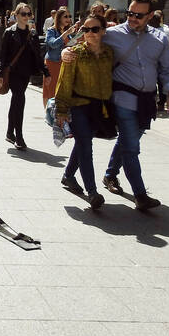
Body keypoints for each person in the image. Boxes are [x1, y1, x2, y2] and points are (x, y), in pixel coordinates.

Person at [63, 0, 169, 210]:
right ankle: (140, 195)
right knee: (131, 146)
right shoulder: (113, 33)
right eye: (130, 13)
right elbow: (84, 41)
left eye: (138, 15)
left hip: (146, 101)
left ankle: (106, 175)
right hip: (122, 97)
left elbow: (167, 69)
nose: (132, 18)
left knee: (127, 140)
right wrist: (67, 51)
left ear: (150, 15)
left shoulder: (160, 39)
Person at [55, 14, 113, 209]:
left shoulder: (110, 54)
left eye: (94, 29)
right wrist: (61, 110)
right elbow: (64, 83)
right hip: (78, 106)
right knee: (86, 146)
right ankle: (92, 192)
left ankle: (68, 176)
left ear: (103, 31)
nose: (89, 33)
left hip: (99, 107)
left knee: (82, 142)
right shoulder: (75, 53)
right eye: (85, 30)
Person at [0, 3, 51, 150]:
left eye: (28, 14)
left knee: (16, 102)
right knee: (19, 99)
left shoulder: (32, 34)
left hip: (26, 74)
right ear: (16, 15)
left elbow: (38, 56)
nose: (26, 17)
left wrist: (46, 72)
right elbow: (2, 55)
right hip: (13, 73)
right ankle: (19, 137)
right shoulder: (9, 32)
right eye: (23, 14)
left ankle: (9, 132)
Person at [44, 9, 81, 107]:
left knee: (61, 90)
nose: (68, 19)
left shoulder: (65, 31)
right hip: (52, 63)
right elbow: (53, 44)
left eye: (69, 16)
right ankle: (49, 114)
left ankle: (58, 114)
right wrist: (67, 33)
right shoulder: (51, 30)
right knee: (51, 91)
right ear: (59, 18)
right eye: (65, 16)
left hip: (63, 63)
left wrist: (79, 34)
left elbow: (70, 44)